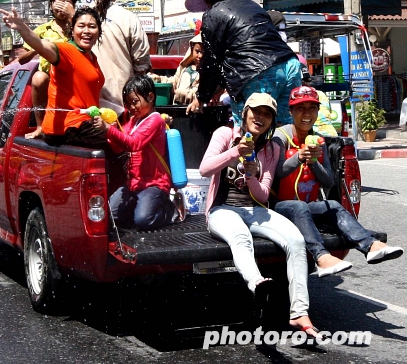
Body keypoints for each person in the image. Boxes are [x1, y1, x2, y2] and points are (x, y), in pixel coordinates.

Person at [200, 92, 320, 338]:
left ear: (272, 121)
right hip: (222, 209)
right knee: (240, 236)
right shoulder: (225, 135)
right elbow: (205, 168)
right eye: (256, 112)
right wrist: (235, 153)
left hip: (255, 209)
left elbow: (264, 195)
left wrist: (253, 175)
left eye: (267, 114)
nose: (260, 117)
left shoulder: (271, 147)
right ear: (244, 114)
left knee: (296, 241)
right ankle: (257, 283)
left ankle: (299, 312)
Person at [272, 86, 404, 277]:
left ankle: (370, 245)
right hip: (279, 207)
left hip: (306, 206)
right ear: (291, 111)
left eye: (312, 108)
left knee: (332, 204)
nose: (307, 114)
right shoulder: (280, 137)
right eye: (301, 108)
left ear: (318, 111)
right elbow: (275, 173)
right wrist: (299, 158)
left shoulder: (317, 140)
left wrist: (314, 162)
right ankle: (321, 257)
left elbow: (328, 182)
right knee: (299, 206)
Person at [185, 0, 301, 125]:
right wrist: (219, 87)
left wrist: (201, 97)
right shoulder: (252, 6)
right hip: (290, 65)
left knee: (251, 132)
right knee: (284, 128)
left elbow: (211, 60)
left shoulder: (212, 14)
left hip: (258, 73)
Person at [0, 6, 108, 149]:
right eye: (81, 26)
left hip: (84, 124)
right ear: (72, 30)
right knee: (119, 143)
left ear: (98, 31)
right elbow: (41, 45)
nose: (86, 31)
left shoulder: (91, 57)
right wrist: (21, 27)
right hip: (66, 128)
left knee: (123, 135)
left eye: (92, 26)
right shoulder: (66, 50)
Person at [95, 75, 179, 231]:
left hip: (154, 183)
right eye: (128, 104)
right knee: (110, 217)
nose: (131, 108)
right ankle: (138, 209)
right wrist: (111, 131)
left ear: (150, 97)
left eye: (135, 102)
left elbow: (134, 144)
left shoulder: (155, 120)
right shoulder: (134, 120)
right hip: (134, 183)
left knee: (143, 220)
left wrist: (109, 130)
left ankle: (170, 211)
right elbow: (119, 147)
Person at [91, 0, 151, 116]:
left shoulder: (81, 18)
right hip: (123, 103)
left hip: (88, 103)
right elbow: (141, 62)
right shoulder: (128, 18)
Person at [18, 0, 77, 139]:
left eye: (66, 2)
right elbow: (21, 60)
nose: (62, 6)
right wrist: (38, 47)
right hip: (51, 80)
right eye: (59, 2)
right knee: (38, 77)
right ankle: (40, 126)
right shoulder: (42, 30)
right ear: (51, 5)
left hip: (74, 78)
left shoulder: (79, 27)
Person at [151, 34, 204, 105]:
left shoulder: (208, 72)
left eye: (204, 52)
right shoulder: (184, 68)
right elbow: (174, 82)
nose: (200, 55)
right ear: (192, 50)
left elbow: (201, 94)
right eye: (197, 51)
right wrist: (159, 79)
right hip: (177, 109)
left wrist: (181, 93)